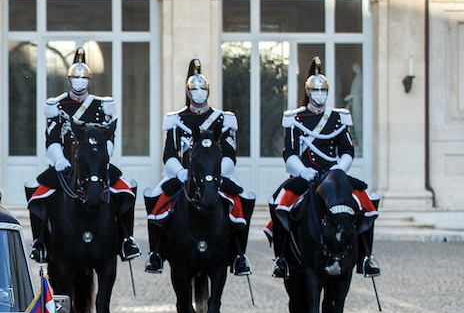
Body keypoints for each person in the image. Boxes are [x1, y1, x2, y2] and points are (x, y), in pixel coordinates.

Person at [266, 57, 380, 278]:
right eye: (316, 90)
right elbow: (289, 152)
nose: (320, 94)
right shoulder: (295, 118)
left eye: (323, 90)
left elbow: (347, 149)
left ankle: (366, 258)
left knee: (364, 200)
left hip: (333, 174)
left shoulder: (339, 117)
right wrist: (302, 171)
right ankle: (281, 258)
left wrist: (340, 168)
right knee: (280, 202)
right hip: (306, 173)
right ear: (309, 92)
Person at [25, 48, 139, 263]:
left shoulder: (101, 105)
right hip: (66, 164)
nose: (79, 81)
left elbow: (109, 138)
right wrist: (58, 160)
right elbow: (52, 138)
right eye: (76, 78)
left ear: (89, 80)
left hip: (95, 164)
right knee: (37, 194)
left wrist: (104, 158)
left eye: (83, 78)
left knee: (125, 191)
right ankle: (39, 242)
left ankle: (126, 239)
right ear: (69, 80)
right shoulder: (57, 105)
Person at [143, 59, 254, 276]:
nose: (199, 93)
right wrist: (180, 172)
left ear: (208, 92)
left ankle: (239, 255)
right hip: (184, 174)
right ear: (188, 92)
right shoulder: (177, 119)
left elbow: (230, 154)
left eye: (203, 90)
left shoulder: (223, 119)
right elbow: (169, 154)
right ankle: (156, 253)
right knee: (156, 199)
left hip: (216, 174)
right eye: (195, 90)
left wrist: (218, 173)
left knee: (242, 200)